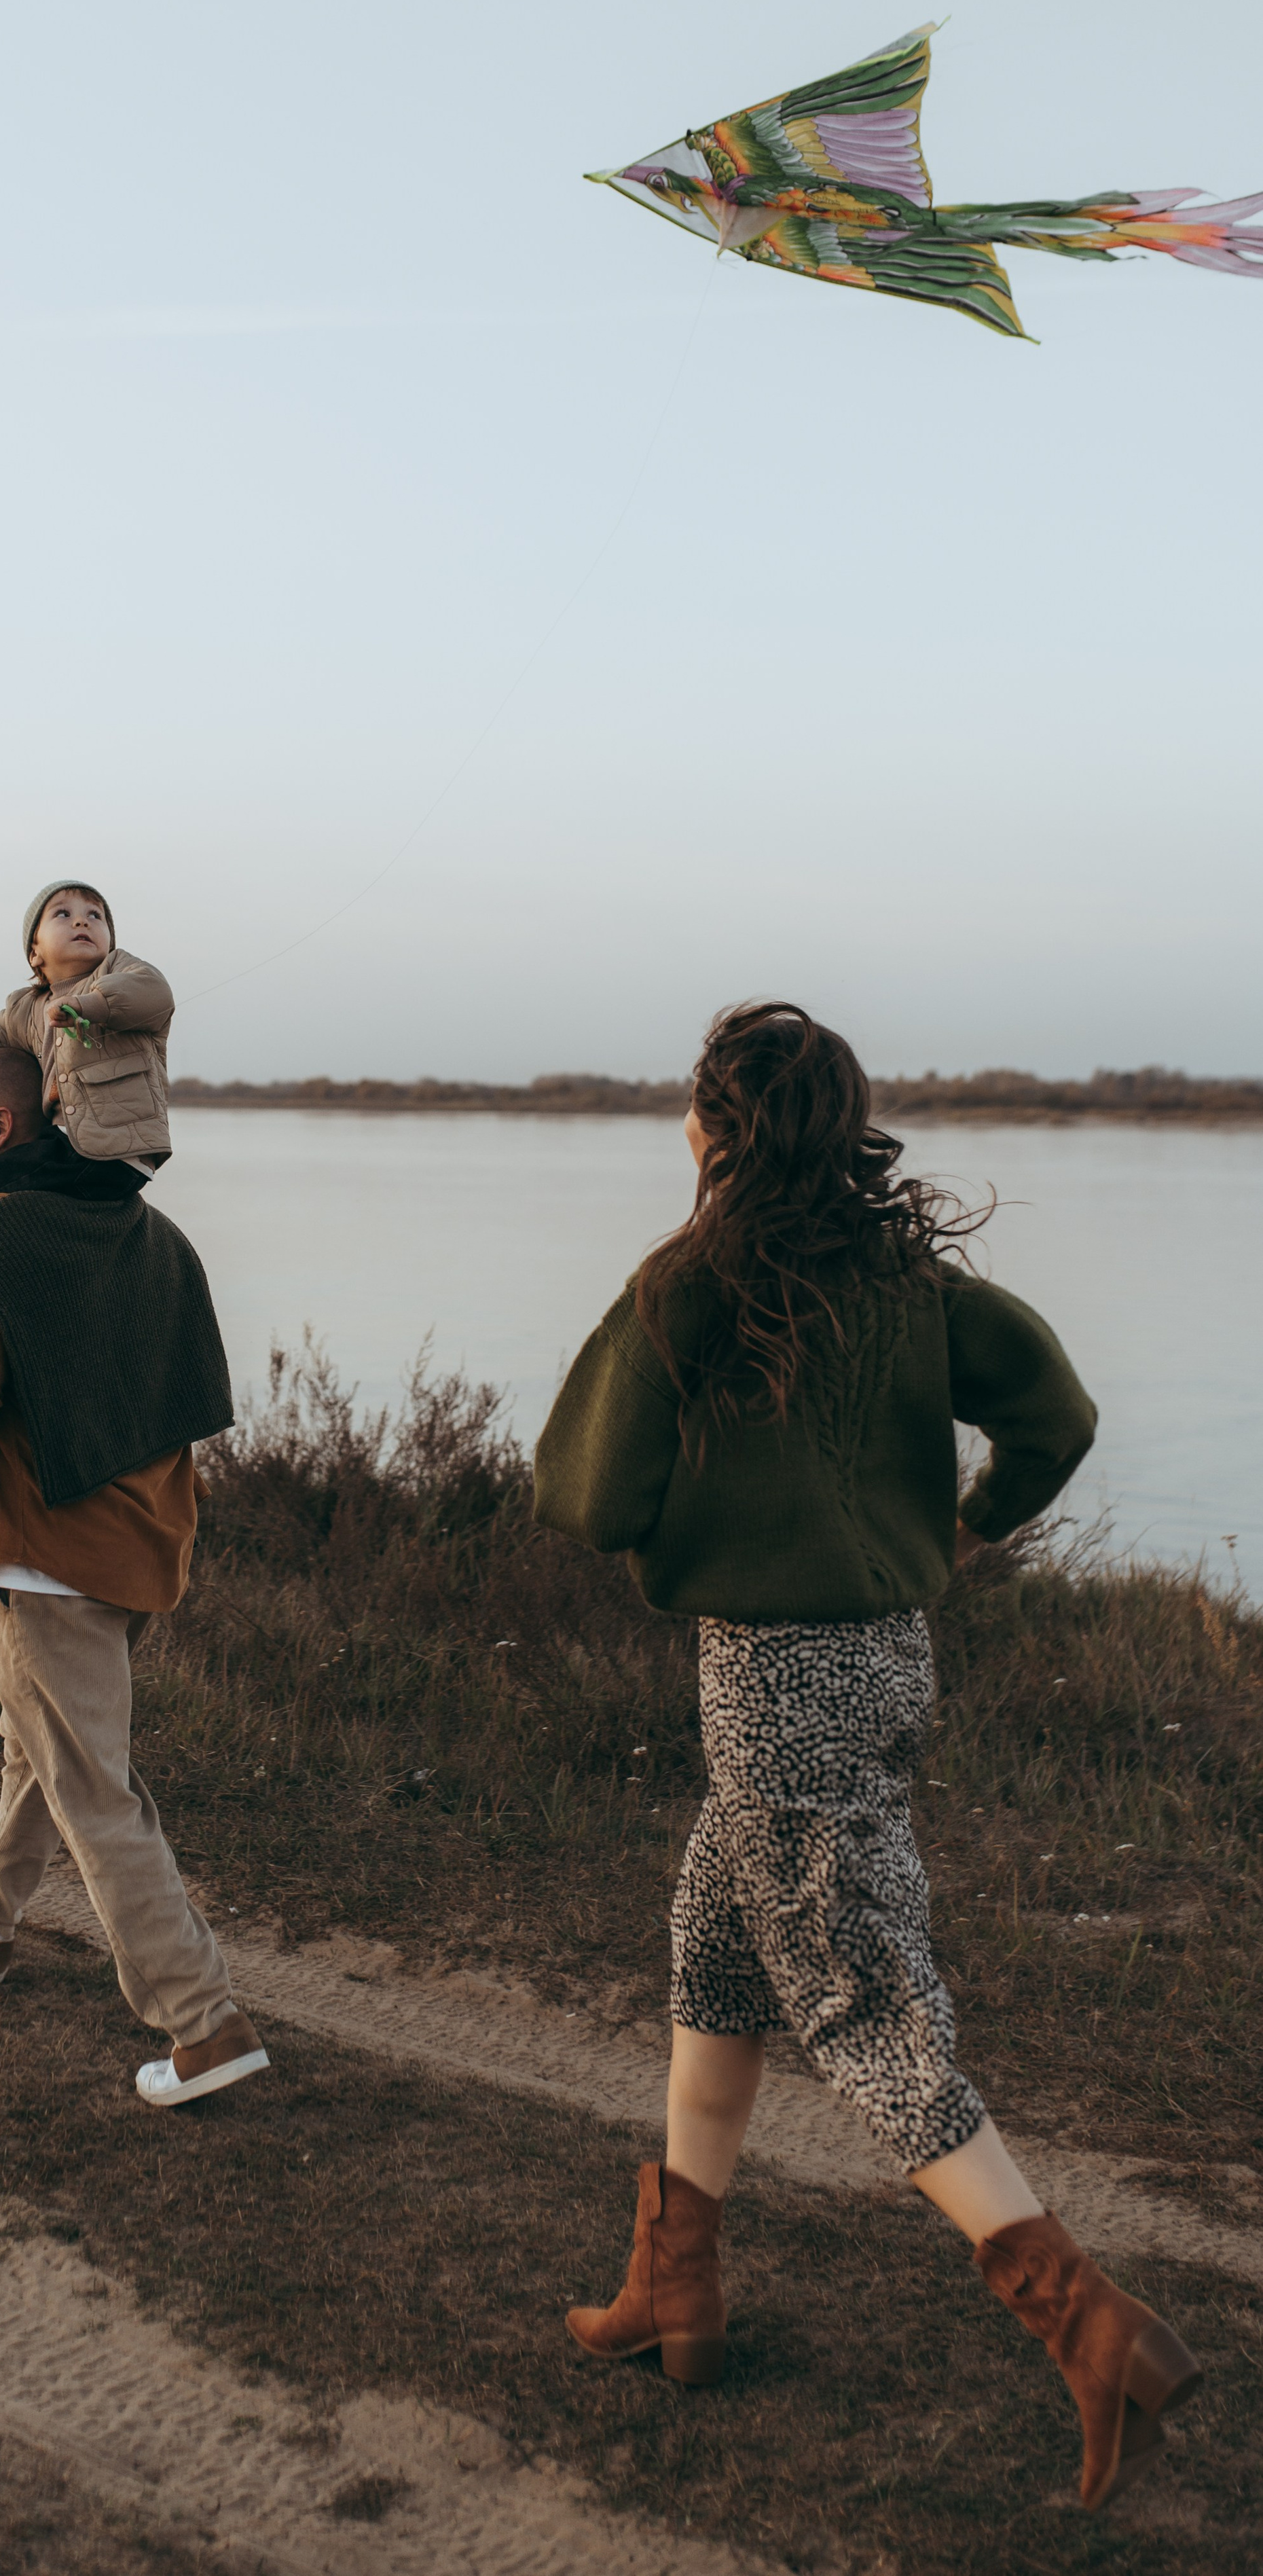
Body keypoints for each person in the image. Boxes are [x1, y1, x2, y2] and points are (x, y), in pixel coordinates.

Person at [533, 1001, 1201, 2513]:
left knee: (857, 2003)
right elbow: (1057, 1415)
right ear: (843, 1133)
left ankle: (1086, 2323)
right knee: (717, 1952)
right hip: (888, 1652)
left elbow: (586, 1492)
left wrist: (698, 1498)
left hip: (774, 1678)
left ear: (714, 1129)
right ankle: (673, 2286)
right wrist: (965, 1527)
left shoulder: (689, 1286)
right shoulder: (913, 1283)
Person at [0, 1043, 268, 2109]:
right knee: (41, 1748)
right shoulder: (139, 1226)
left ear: (1, 1126)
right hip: (138, 1544)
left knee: (94, 1790)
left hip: (49, 1558)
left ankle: (203, 2021)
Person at [0, 881, 174, 1182]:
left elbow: (154, 992)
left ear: (109, 943)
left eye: (95, 915)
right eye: (63, 914)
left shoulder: (119, 968)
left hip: (122, 1147)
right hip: (67, 1144)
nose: (82, 921)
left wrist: (90, 1005)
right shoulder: (28, 1008)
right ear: (35, 953)